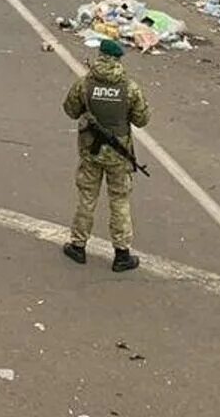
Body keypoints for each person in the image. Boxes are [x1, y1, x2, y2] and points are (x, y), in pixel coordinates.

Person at [61, 38, 151, 271]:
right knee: (119, 202)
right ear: (118, 59)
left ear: (100, 56)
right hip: (119, 155)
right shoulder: (129, 88)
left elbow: (70, 110)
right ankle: (122, 254)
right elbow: (142, 119)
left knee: (86, 199)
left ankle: (78, 246)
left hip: (91, 152)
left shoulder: (84, 84)